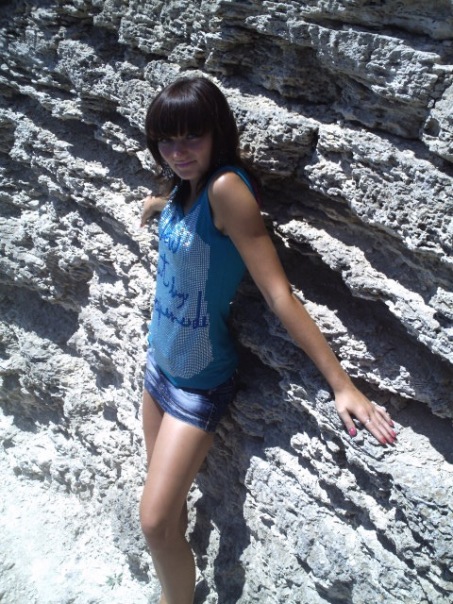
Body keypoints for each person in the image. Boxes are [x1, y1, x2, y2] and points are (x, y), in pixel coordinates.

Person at [139, 76, 396, 604]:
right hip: (157, 368)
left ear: (218, 132)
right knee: (165, 513)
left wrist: (342, 384)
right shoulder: (184, 186)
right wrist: (158, 204)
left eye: (191, 137)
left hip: (198, 384)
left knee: (154, 523)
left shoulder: (226, 189)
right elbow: (185, 213)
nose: (178, 152)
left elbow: (279, 294)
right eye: (166, 140)